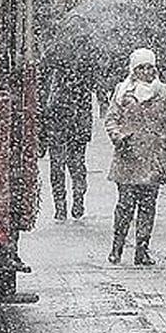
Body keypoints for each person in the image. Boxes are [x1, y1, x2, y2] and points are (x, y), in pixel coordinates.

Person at [104, 47, 166, 266]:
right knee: (125, 205)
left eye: (150, 67)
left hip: (153, 156)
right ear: (133, 70)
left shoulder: (163, 91)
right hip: (128, 156)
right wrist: (118, 136)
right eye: (141, 68)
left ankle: (142, 250)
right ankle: (117, 247)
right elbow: (111, 119)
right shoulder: (122, 91)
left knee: (148, 205)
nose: (147, 72)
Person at [41, 53, 97, 220]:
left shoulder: (74, 78)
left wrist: (84, 131)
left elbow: (84, 108)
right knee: (65, 169)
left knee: (67, 169)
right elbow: (43, 107)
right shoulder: (52, 77)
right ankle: (64, 205)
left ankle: (70, 203)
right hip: (60, 129)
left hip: (66, 129)